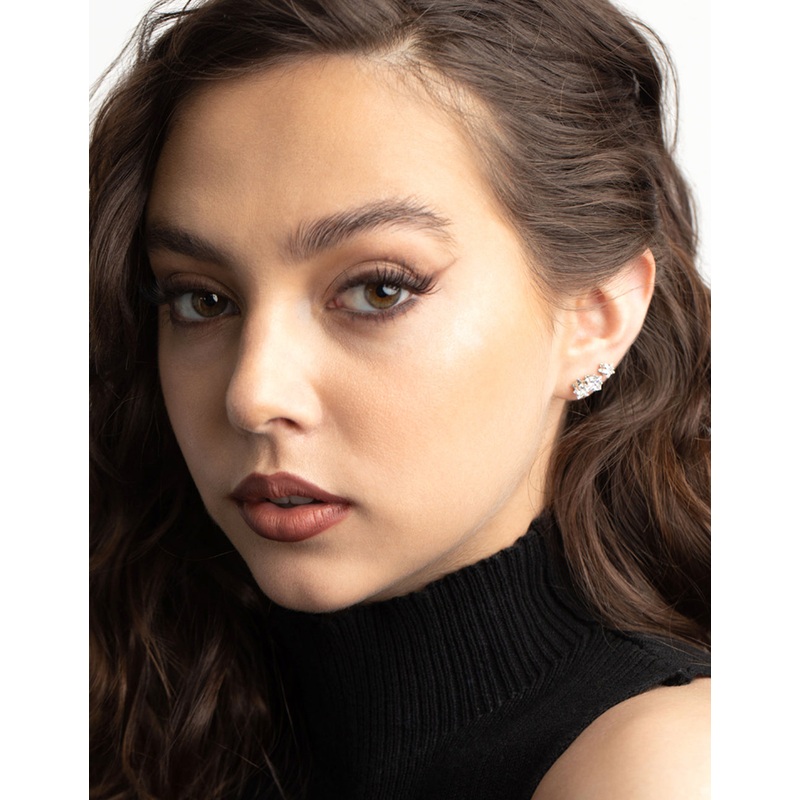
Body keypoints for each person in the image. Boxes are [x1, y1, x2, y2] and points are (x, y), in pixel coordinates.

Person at [89, 0, 711, 797]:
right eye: (201, 299)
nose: (252, 394)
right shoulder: (134, 703)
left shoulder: (663, 764)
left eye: (379, 289)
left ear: (596, 317)